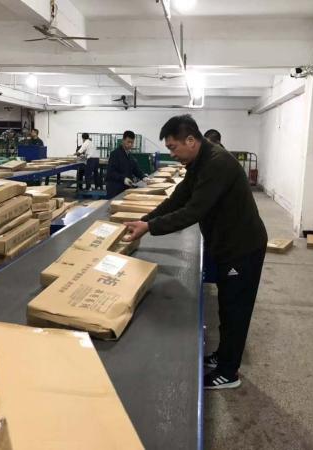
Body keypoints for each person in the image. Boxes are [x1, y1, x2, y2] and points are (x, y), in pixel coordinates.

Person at [124, 115, 267, 390]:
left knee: (235, 309)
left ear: (191, 140)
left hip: (242, 247)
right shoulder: (199, 162)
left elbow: (194, 211)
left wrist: (150, 227)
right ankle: (222, 356)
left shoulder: (217, 163)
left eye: (173, 147)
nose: (171, 153)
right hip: (226, 244)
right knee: (226, 305)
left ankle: (229, 372)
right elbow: (179, 198)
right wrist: (145, 220)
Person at [105, 130, 147, 198]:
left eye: (132, 142)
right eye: (128, 142)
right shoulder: (115, 154)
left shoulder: (129, 155)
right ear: (123, 140)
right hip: (115, 189)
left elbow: (136, 169)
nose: (130, 144)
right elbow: (111, 172)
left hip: (124, 188)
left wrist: (143, 177)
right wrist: (123, 179)